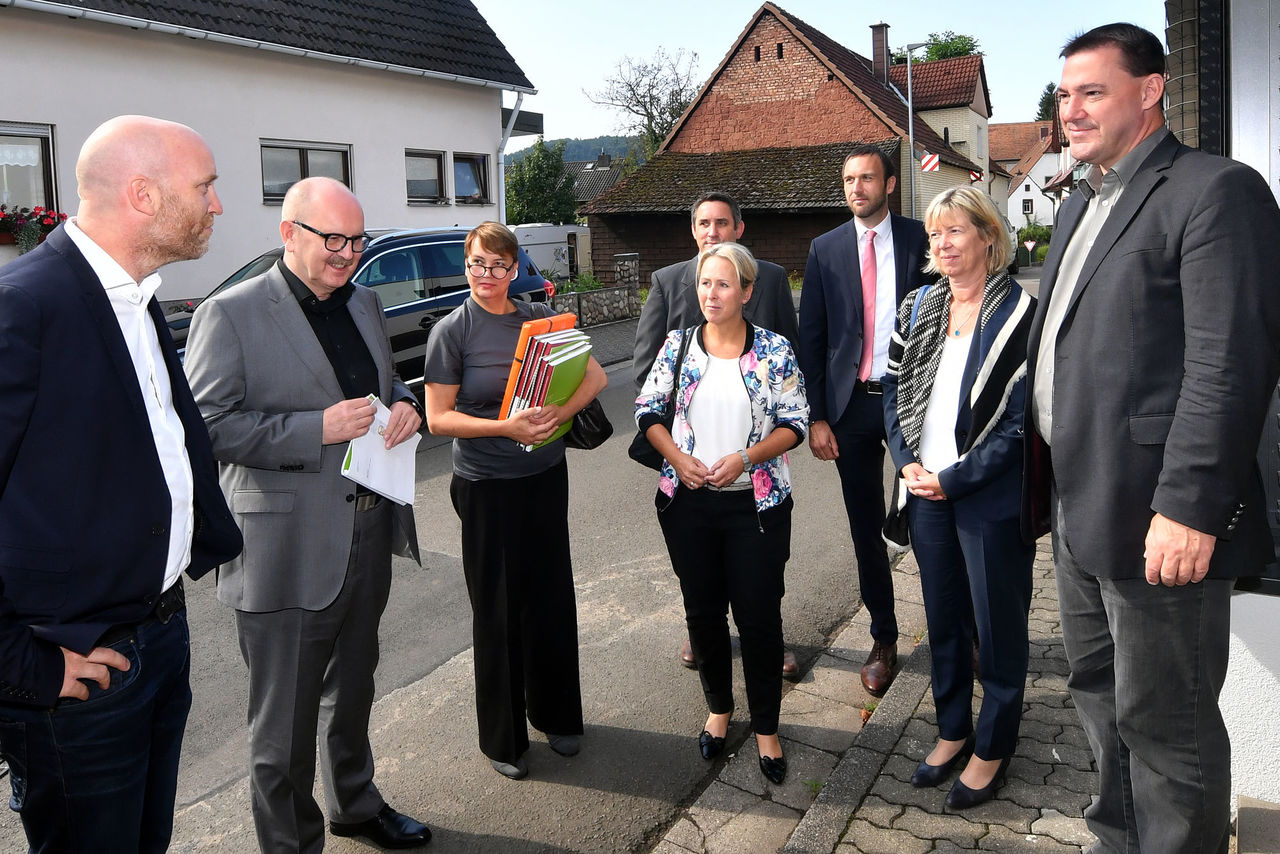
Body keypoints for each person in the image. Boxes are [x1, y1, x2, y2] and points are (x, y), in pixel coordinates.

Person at [1024, 23, 1280, 853]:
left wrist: (1189, 507)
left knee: (1168, 729)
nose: (1072, 109)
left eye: (1092, 91)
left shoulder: (1214, 190)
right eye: (1065, 94)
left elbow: (1229, 364)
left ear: (1151, 90)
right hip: (1080, 508)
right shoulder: (1081, 203)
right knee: (1098, 697)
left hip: (1156, 520)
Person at [0, 115, 243, 853]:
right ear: (143, 195)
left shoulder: (135, 301)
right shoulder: (23, 307)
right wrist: (23, 666)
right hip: (76, 674)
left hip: (160, 640)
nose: (217, 204)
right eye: (205, 188)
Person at [185, 177, 431, 851]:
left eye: (357, 239)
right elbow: (203, 428)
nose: (348, 253)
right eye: (333, 239)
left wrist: (405, 403)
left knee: (351, 694)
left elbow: (382, 385)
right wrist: (311, 429)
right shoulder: (230, 314)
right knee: (282, 729)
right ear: (289, 232)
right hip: (283, 552)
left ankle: (355, 804)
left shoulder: (365, 303)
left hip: (368, 532)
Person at [422, 221, 607, 781]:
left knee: (550, 597)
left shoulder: (536, 322)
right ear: (465, 263)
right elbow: (437, 418)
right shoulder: (451, 332)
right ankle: (503, 736)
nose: (488, 276)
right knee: (498, 607)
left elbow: (595, 376)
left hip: (545, 476)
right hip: (485, 486)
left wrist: (559, 414)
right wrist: (506, 426)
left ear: (515, 267)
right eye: (478, 264)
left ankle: (556, 715)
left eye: (499, 266)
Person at [882, 187, 1035, 809]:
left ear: (988, 238)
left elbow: (1022, 423)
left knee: (998, 626)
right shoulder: (917, 308)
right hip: (925, 490)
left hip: (988, 498)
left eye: (956, 232)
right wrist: (908, 460)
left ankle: (994, 745)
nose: (942, 244)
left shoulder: (1019, 314)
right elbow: (892, 393)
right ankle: (952, 729)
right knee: (942, 618)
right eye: (935, 235)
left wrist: (957, 477)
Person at [635, 242, 808, 785]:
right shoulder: (677, 346)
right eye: (705, 284)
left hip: (756, 508)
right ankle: (718, 709)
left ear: (747, 291)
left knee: (759, 617)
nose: (711, 294)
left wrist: (746, 458)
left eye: (724, 284)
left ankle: (766, 728)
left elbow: (795, 422)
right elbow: (648, 409)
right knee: (703, 613)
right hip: (689, 505)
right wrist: (677, 458)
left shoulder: (775, 349)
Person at [634, 191, 802, 676]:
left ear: (738, 229)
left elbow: (788, 361)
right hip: (688, 460)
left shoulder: (766, 278)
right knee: (699, 575)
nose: (712, 231)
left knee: (761, 577)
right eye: (703, 223)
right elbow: (648, 375)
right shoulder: (668, 282)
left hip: (755, 460)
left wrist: (768, 442)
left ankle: (768, 635)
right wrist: (670, 449)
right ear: (693, 230)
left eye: (722, 223)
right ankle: (702, 633)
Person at [797, 145, 934, 696]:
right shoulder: (825, 248)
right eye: (850, 179)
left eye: (868, 178)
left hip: (911, 400)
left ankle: (959, 630)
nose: (857, 188)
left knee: (930, 516)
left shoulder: (920, 238)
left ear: (890, 184)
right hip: (851, 404)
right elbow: (813, 337)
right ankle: (884, 636)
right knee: (864, 525)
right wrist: (818, 417)